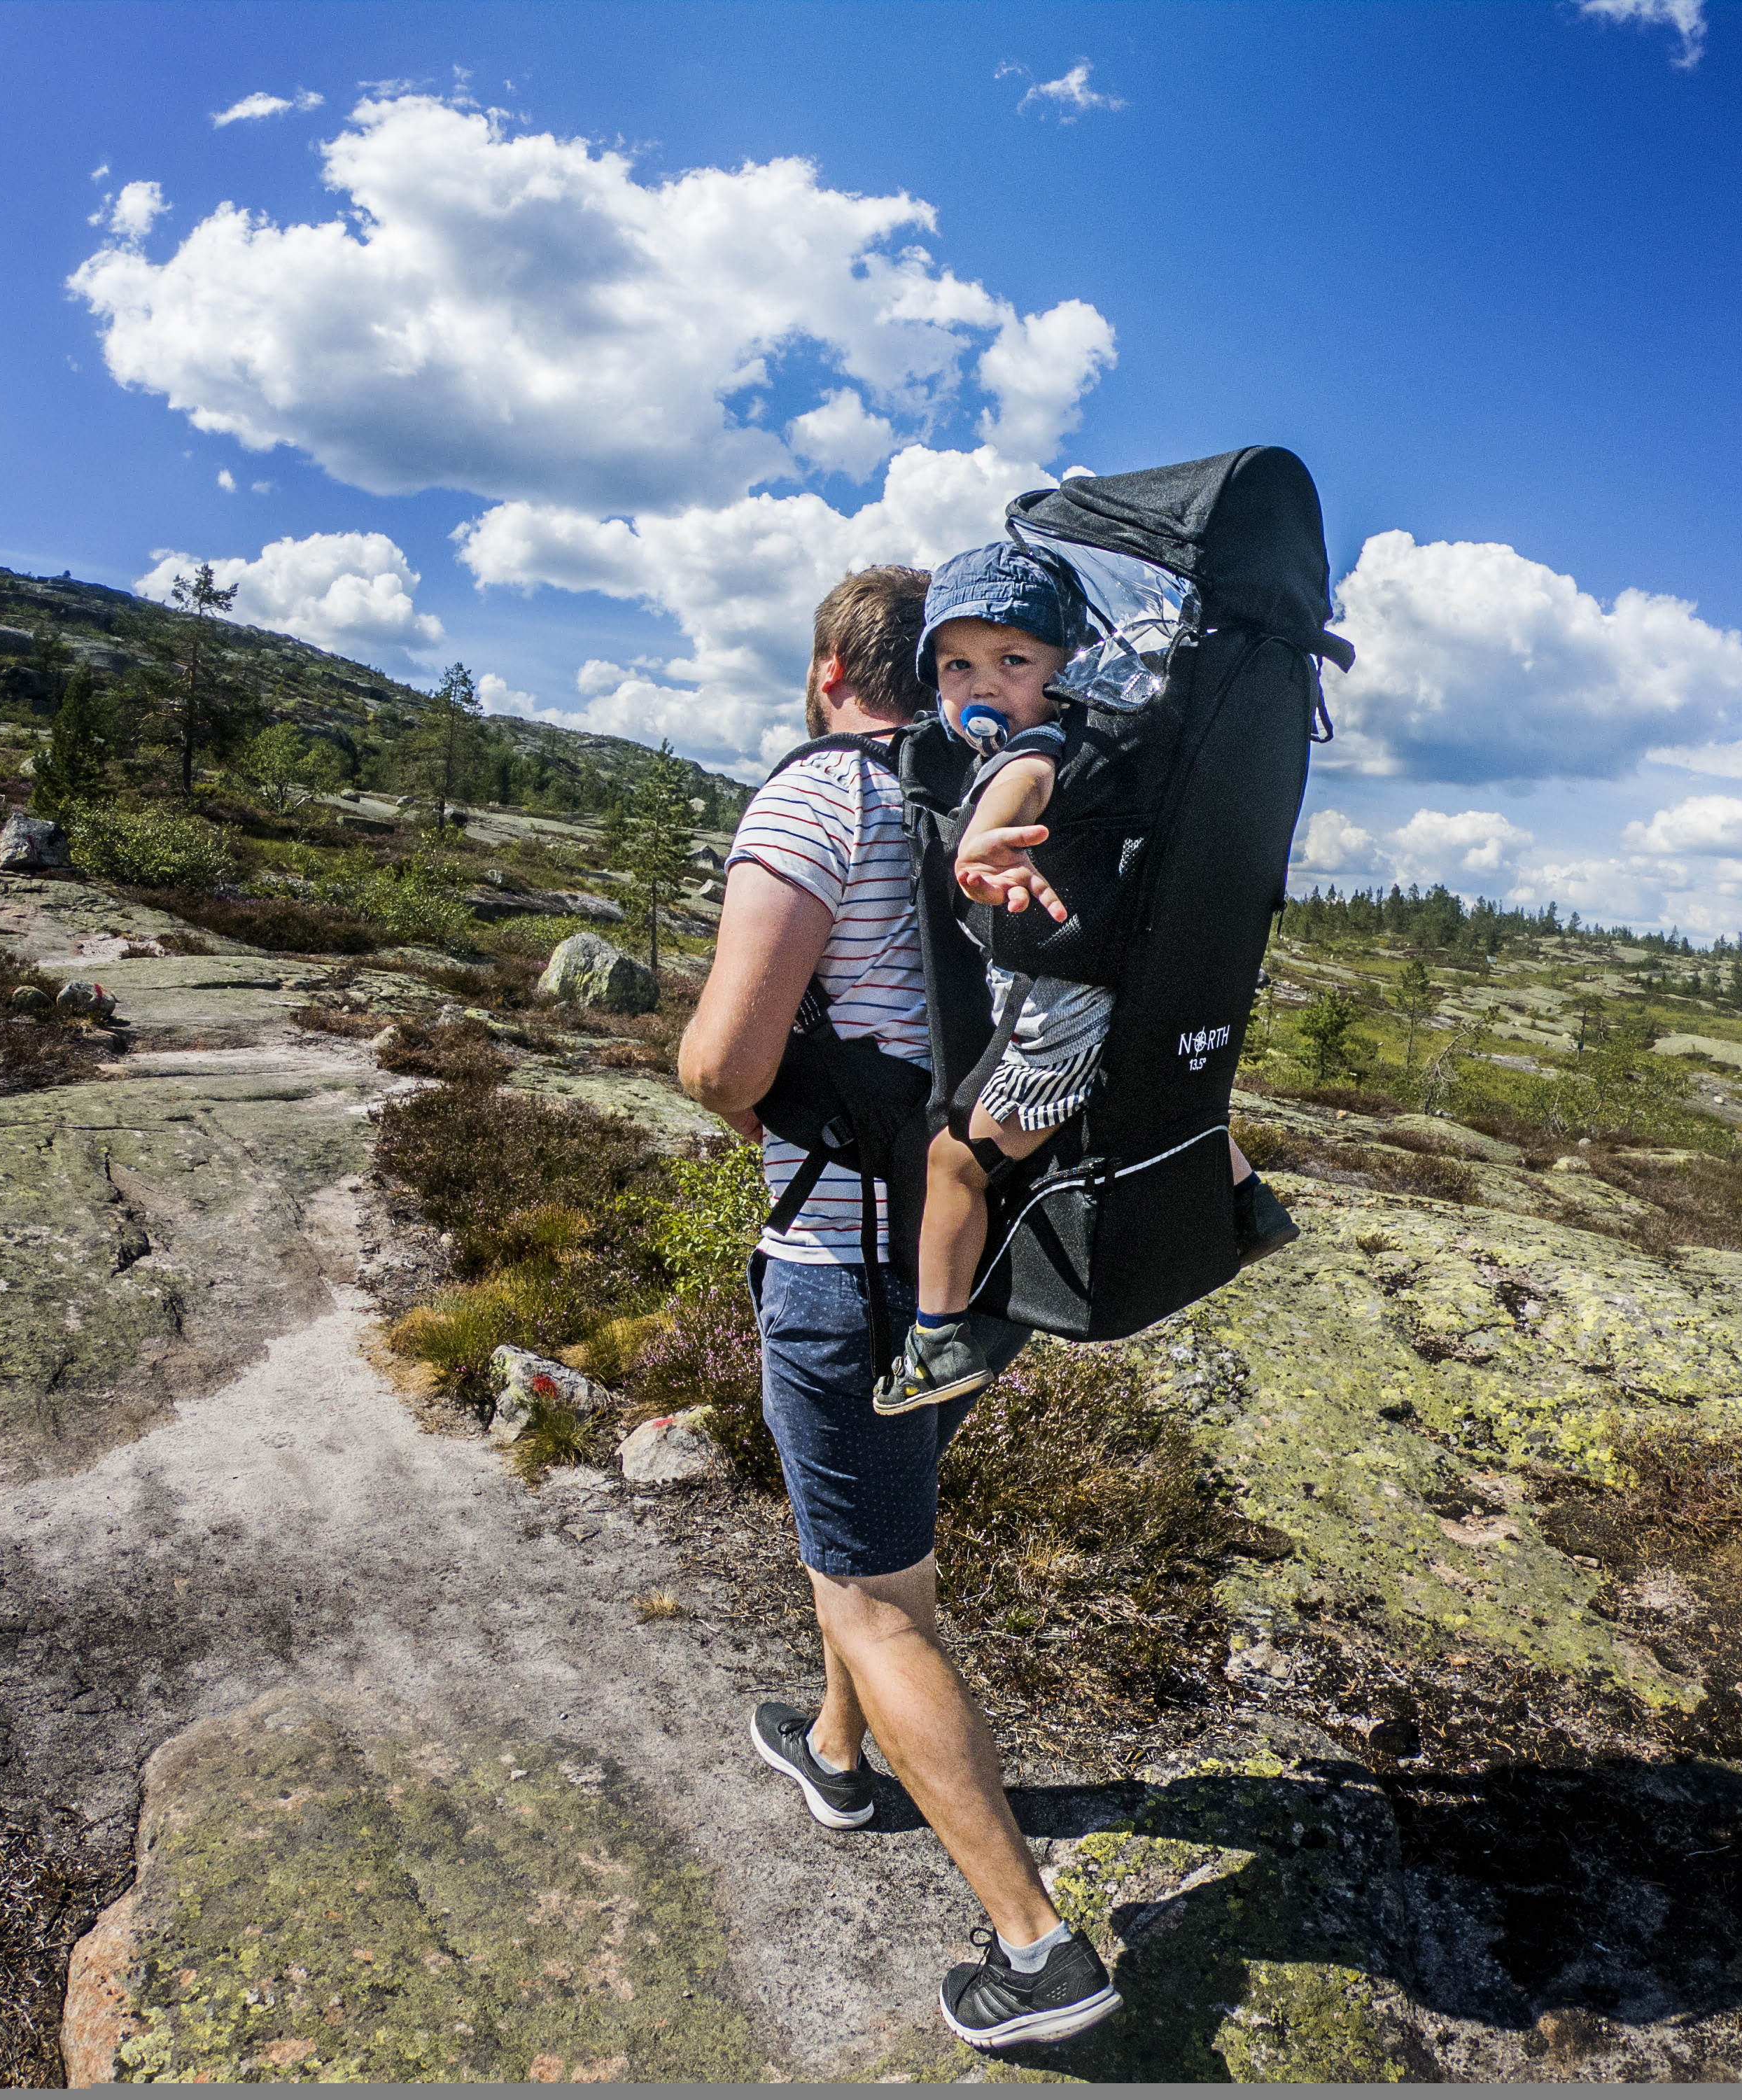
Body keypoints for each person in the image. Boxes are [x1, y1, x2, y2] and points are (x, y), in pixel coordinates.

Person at [677, 565, 1124, 2050]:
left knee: (877, 1604)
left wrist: (715, 1085)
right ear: (925, 671)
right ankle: (834, 1755)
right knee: (877, 1544)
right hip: (970, 1255)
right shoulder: (987, 786)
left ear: (828, 673)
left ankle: (1038, 1950)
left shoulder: (821, 798)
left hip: (843, 1266)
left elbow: (725, 1064)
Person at [875, 542, 1298, 1418]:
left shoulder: (1038, 749)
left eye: (1013, 660)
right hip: (1142, 993)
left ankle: (937, 1340)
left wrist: (977, 843)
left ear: (1066, 667)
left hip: (1058, 1017)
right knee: (1154, 1102)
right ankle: (1248, 1207)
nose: (984, 685)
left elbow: (1020, 787)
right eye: (957, 666)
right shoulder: (1105, 747)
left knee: (954, 1165)